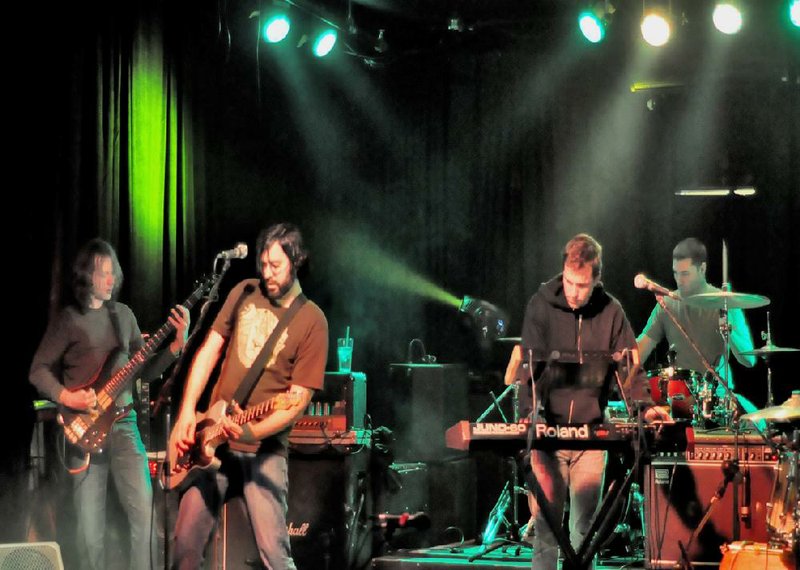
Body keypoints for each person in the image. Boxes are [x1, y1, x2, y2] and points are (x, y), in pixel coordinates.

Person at [170, 222, 328, 570]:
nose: (267, 273)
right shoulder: (243, 291)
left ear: (296, 261)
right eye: (264, 264)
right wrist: (186, 413)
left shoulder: (312, 321)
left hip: (264, 451)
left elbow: (297, 400)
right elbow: (209, 350)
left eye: (276, 265)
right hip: (211, 438)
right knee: (184, 544)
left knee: (274, 555)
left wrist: (251, 432)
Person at [29, 238, 190, 570]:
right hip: (82, 431)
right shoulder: (68, 320)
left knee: (145, 515)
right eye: (102, 274)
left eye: (112, 272)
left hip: (124, 426)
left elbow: (142, 374)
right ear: (86, 277)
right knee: (91, 533)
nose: (110, 280)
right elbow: (37, 371)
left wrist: (176, 345)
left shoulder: (124, 316)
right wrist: (66, 396)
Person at [521, 233, 667, 570]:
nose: (574, 291)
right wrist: (529, 414)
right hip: (548, 439)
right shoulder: (540, 306)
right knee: (546, 531)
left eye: (583, 285)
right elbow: (528, 369)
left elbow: (629, 368)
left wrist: (645, 408)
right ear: (563, 272)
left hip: (591, 439)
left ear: (596, 279)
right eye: (570, 282)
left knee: (583, 534)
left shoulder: (611, 312)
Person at [636, 238, 757, 414]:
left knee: (758, 424)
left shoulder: (725, 302)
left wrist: (729, 331)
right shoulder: (667, 303)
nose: (679, 280)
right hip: (679, 399)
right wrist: (619, 359)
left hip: (718, 399)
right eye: (676, 273)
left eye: (685, 273)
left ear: (702, 269)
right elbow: (640, 349)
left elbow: (749, 360)